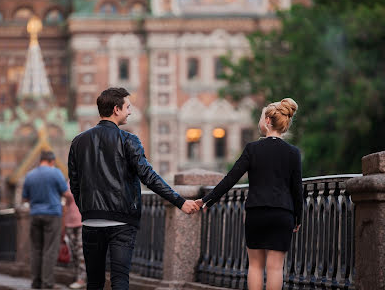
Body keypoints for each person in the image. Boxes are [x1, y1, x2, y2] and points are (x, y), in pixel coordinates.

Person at [68, 87, 199, 290]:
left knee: (94, 282)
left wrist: (87, 210)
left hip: (91, 221)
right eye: (127, 107)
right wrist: (180, 201)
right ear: (116, 109)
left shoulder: (78, 142)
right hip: (122, 221)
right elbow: (149, 177)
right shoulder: (129, 140)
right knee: (120, 280)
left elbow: (74, 183)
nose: (130, 111)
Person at [196, 98, 303, 290]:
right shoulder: (293, 153)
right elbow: (297, 189)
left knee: (255, 266)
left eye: (261, 117)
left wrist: (206, 200)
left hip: (256, 213)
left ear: (268, 121)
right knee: (276, 268)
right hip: (282, 214)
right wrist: (298, 217)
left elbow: (230, 179)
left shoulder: (252, 149)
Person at [22, 150, 71, 289]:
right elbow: (66, 193)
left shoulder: (30, 175)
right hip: (52, 214)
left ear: (40, 160)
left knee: (36, 249)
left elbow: (25, 198)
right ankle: (47, 283)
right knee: (50, 249)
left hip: (35, 214)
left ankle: (36, 282)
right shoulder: (55, 172)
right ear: (52, 161)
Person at [64, 184, 86, 289]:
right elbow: (66, 203)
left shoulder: (87, 179)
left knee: (81, 252)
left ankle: (81, 279)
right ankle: (77, 276)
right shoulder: (69, 181)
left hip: (82, 222)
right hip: (69, 222)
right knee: (73, 253)